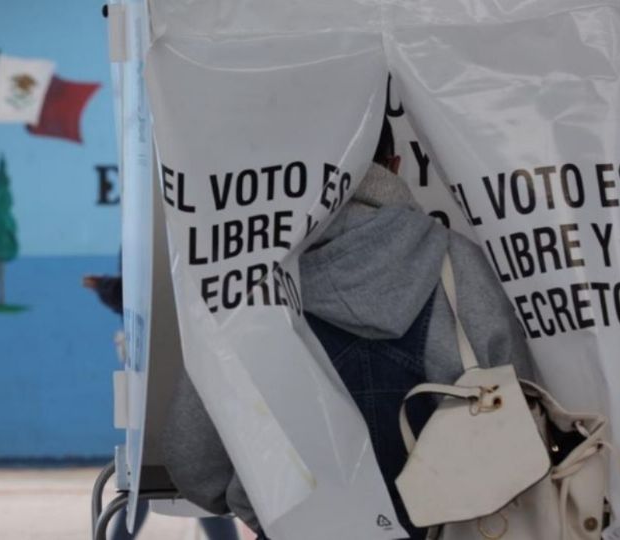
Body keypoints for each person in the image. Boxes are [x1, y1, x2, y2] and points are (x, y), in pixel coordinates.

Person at [160, 117, 535, 539]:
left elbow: (194, 463)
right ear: (392, 165)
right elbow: (523, 418)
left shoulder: (249, 283)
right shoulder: (459, 265)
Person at [83, 271, 241, 540]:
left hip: (163, 373)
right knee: (187, 481)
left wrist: (105, 288)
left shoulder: (147, 238)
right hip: (183, 367)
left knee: (157, 476)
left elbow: (138, 288)